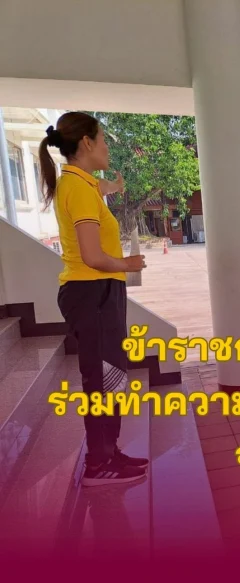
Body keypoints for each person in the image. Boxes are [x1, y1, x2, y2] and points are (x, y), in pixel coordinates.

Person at [39, 112, 148, 486]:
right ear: (86, 143)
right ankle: (98, 464)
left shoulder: (78, 183)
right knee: (102, 381)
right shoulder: (79, 189)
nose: (106, 148)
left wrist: (112, 187)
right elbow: (92, 255)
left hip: (97, 293)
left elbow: (96, 187)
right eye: (102, 140)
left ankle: (108, 452)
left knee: (111, 378)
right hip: (92, 292)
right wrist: (128, 264)